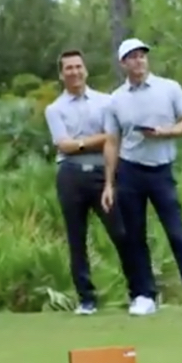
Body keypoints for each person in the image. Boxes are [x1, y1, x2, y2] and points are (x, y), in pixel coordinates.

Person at [100, 38, 182, 318]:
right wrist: (108, 183)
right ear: (123, 64)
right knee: (135, 237)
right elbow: (112, 142)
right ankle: (144, 295)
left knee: (177, 234)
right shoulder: (115, 99)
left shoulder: (169, 88)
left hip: (161, 171)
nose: (139, 61)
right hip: (130, 171)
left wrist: (166, 133)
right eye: (132, 57)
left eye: (142, 56)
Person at [45, 49, 134, 315]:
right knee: (76, 238)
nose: (74, 72)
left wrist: (85, 142)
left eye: (78, 67)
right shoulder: (54, 109)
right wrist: (99, 139)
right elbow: (65, 145)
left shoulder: (105, 102)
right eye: (68, 68)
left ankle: (138, 292)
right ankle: (86, 299)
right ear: (62, 74)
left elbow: (113, 139)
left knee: (121, 233)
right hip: (70, 175)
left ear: (85, 70)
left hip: (102, 173)